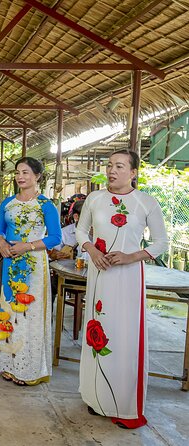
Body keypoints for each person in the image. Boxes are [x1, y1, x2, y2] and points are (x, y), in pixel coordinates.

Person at [76, 150, 168, 429]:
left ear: (133, 172)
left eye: (119, 166)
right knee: (97, 333)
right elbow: (81, 232)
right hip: (99, 273)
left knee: (124, 336)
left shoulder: (146, 202)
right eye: (109, 165)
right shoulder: (94, 199)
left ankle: (123, 405)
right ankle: (96, 396)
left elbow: (161, 243)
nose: (112, 170)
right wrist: (91, 249)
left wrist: (131, 256)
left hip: (128, 277)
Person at [0, 157, 61, 386]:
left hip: (33, 264)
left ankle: (28, 368)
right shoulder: (8, 203)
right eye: (17, 172)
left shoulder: (45, 205)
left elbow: (55, 238)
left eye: (25, 172)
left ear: (37, 176)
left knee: (29, 314)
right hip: (11, 262)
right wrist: (2, 244)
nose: (20, 176)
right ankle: (8, 364)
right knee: (9, 310)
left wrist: (28, 246)